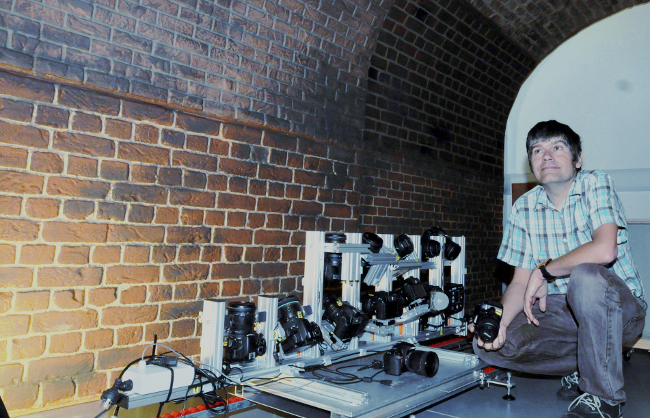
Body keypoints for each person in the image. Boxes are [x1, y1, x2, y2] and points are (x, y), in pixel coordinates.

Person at [472, 120, 646, 418]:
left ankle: (603, 399)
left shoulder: (594, 183)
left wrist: (545, 271)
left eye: (557, 147)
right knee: (491, 345)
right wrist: (498, 324)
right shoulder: (523, 208)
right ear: (531, 165)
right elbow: (518, 284)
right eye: (537, 150)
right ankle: (583, 368)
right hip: (564, 315)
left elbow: (605, 250)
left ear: (578, 160)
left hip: (619, 312)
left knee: (586, 275)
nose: (546, 156)